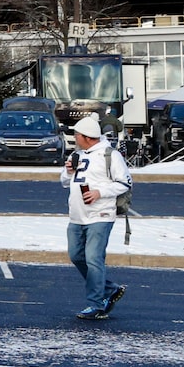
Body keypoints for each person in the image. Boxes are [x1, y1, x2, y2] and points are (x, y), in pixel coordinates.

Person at [63, 115, 131, 320]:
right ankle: (108, 288)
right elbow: (65, 182)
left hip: (100, 215)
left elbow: (125, 183)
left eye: (76, 134)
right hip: (77, 215)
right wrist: (68, 172)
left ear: (87, 137)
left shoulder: (110, 155)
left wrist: (99, 193)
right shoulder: (79, 154)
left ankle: (96, 304)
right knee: (76, 256)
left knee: (94, 258)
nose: (74, 137)